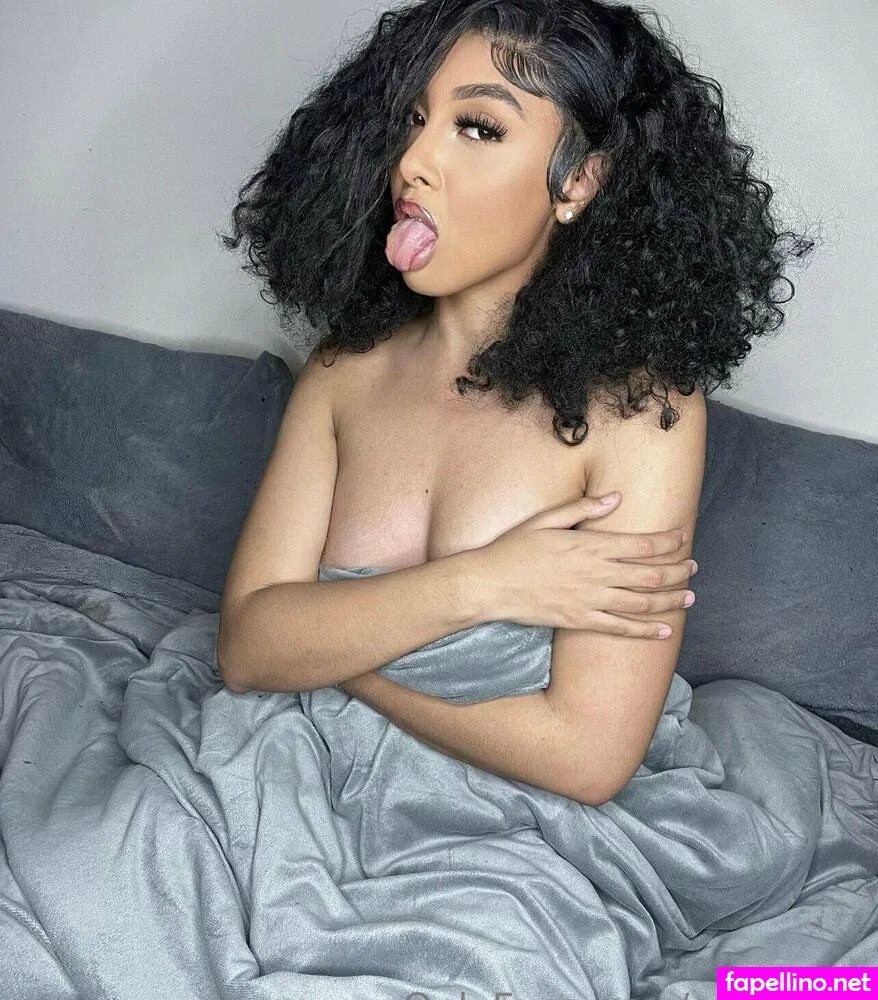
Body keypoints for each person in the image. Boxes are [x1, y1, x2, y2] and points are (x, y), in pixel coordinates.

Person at [211, 3, 831, 995]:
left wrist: (342, 663)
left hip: (520, 829)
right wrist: (484, 584)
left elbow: (586, 757)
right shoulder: (341, 373)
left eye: (476, 126)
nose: (414, 162)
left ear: (577, 181)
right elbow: (247, 648)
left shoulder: (644, 411)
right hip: (292, 772)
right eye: (411, 120)